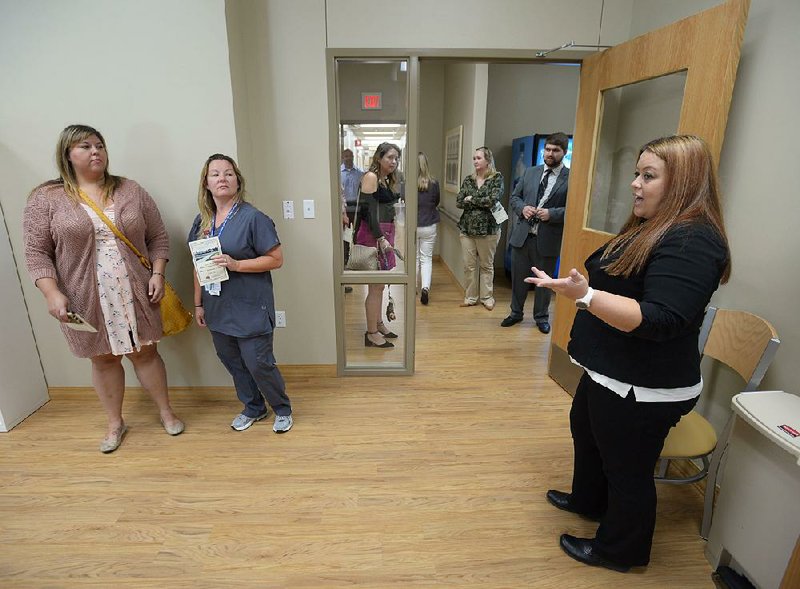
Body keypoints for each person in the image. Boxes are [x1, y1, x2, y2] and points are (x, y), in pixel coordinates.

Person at [526, 135, 731, 572]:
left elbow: (660, 319)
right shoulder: (653, 225)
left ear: (682, 183)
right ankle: (588, 501)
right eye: (636, 174)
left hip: (644, 385)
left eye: (648, 176)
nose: (635, 184)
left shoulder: (693, 240)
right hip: (611, 371)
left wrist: (584, 297)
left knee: (627, 470)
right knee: (585, 425)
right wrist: (581, 291)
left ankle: (620, 550)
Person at [23, 124, 184, 453]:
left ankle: (166, 412)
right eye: (85, 146)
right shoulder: (46, 198)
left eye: (100, 145)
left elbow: (158, 238)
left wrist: (157, 273)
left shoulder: (130, 190)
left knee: (146, 352)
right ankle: (115, 423)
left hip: (135, 289)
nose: (95, 151)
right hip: (85, 295)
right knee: (103, 359)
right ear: (67, 155)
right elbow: (36, 252)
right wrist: (52, 293)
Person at [189, 154, 293, 434]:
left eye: (228, 173)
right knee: (233, 361)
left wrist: (237, 265)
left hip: (250, 305)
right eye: (215, 174)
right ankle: (254, 407)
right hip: (217, 306)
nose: (222, 178)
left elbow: (276, 259)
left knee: (259, 363)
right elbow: (197, 266)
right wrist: (198, 304)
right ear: (206, 184)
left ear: (237, 181)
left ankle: (281, 408)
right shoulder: (202, 222)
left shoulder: (253, 218)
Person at [502, 132, 570, 333]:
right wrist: (522, 208)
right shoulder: (531, 172)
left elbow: (574, 210)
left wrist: (552, 214)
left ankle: (541, 317)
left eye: (555, 150)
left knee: (544, 283)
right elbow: (515, 197)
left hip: (548, 240)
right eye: (547, 149)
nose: (550, 153)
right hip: (522, 237)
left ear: (564, 153)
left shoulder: (571, 178)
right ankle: (516, 313)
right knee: (518, 279)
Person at [354, 142, 401, 348]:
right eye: (390, 157)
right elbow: (368, 211)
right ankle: (371, 333)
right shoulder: (371, 177)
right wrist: (381, 238)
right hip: (374, 235)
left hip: (384, 233)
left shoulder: (385, 179)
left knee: (380, 285)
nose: (394, 161)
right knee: (375, 286)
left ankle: (379, 323)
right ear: (379, 157)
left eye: (396, 158)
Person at [456, 147, 504, 310]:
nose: (475, 161)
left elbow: (492, 200)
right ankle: (470, 297)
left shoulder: (496, 178)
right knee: (468, 266)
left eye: (478, 158)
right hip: (467, 229)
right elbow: (459, 201)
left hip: (488, 229)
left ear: (487, 161)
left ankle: (487, 297)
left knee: (486, 265)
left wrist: (471, 198)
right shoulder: (468, 180)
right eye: (474, 158)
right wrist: (473, 199)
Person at [416, 152, 440, 305]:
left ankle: (412, 288)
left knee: (414, 259)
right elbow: (437, 201)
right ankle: (425, 288)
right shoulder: (434, 183)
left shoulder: (407, 184)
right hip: (429, 224)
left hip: (413, 225)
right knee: (426, 259)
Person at [340, 148, 364, 268]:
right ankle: (345, 260)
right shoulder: (338, 173)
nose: (348, 158)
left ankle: (356, 259)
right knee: (344, 235)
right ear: (342, 158)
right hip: (343, 208)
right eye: (346, 156)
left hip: (356, 206)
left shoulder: (360, 173)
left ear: (353, 157)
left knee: (357, 234)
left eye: (350, 156)